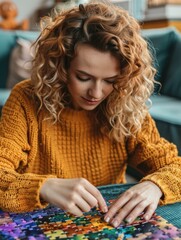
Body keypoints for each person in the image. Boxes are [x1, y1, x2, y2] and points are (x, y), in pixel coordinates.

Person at [0, 0, 181, 228]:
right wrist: (44, 187)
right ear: (61, 65)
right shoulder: (26, 100)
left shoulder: (124, 102)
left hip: (106, 226)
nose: (96, 93)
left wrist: (156, 186)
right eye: (83, 77)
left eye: (110, 80)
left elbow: (174, 166)